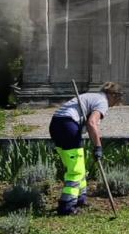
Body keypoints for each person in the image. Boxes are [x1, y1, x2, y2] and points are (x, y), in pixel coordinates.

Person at [48, 82, 123, 215]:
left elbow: (93, 126)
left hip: (57, 125)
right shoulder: (103, 102)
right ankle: (66, 206)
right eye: (118, 98)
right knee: (76, 171)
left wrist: (97, 139)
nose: (117, 103)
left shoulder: (92, 96)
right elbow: (91, 123)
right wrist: (98, 147)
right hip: (68, 126)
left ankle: (80, 199)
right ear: (112, 95)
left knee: (78, 165)